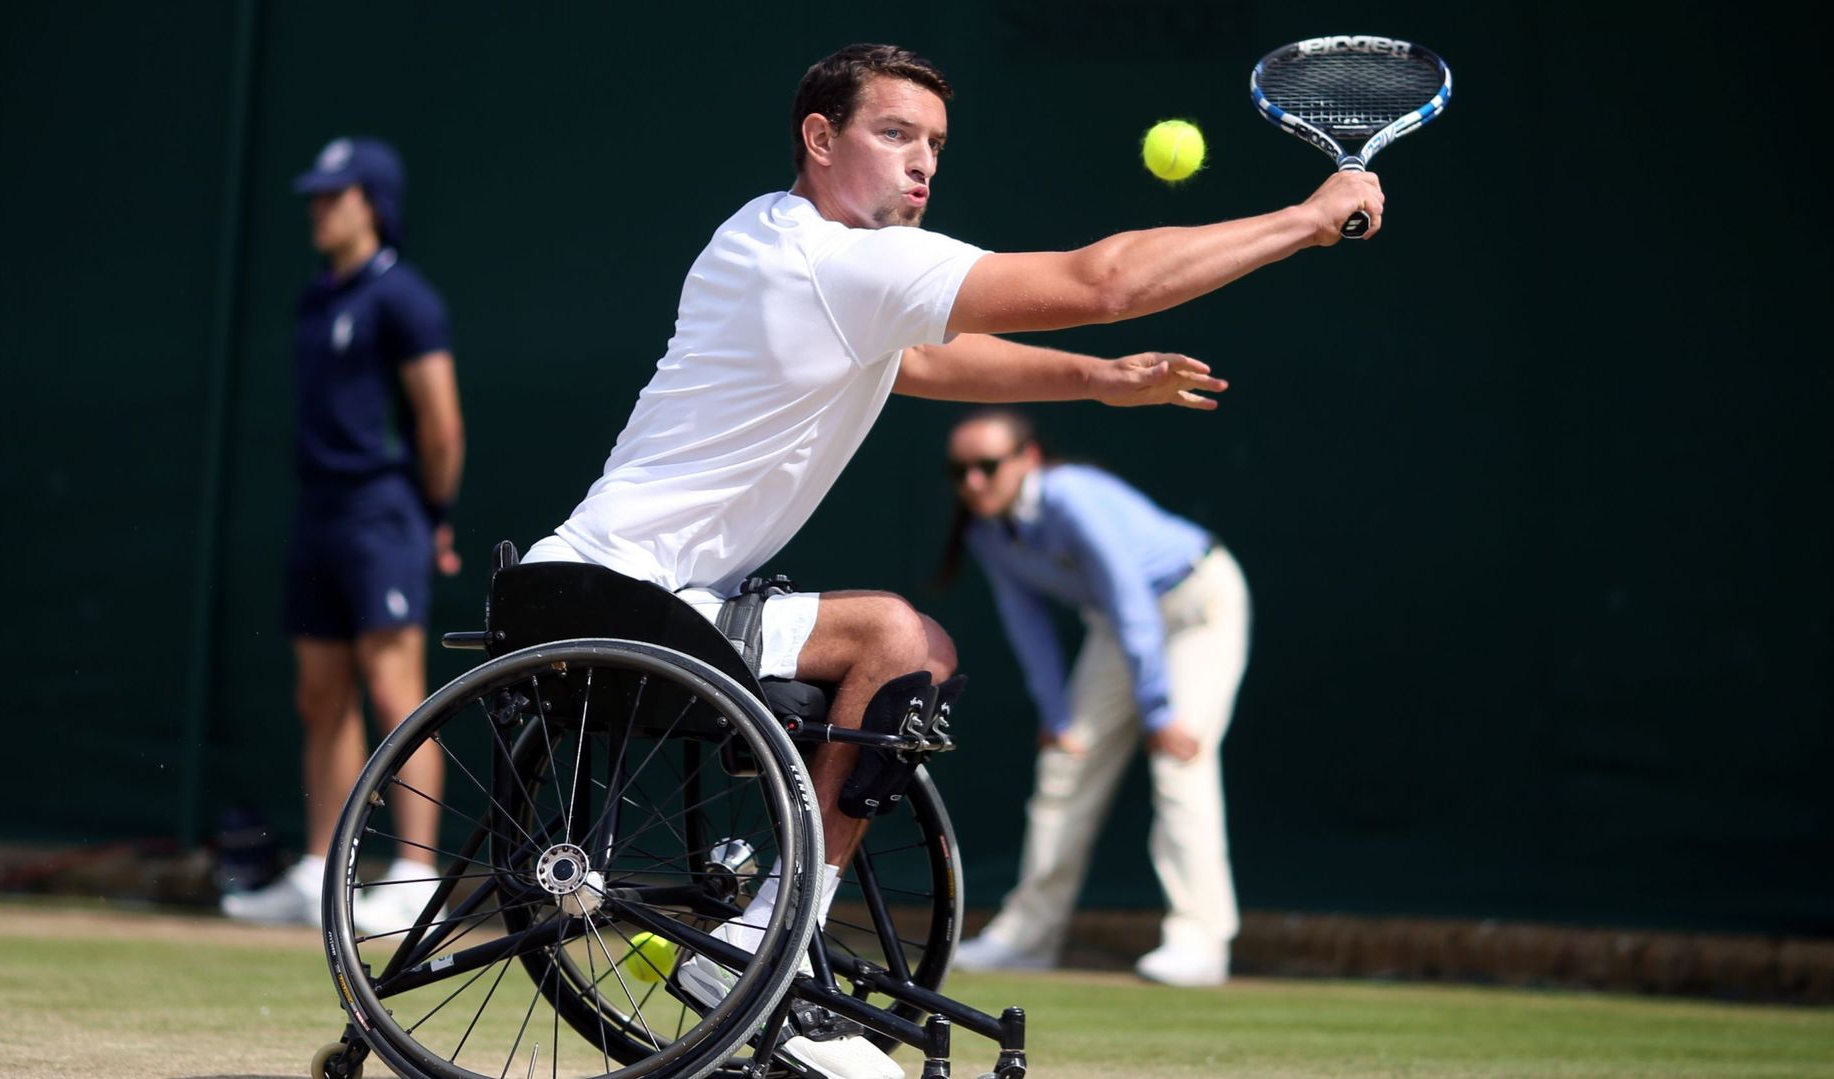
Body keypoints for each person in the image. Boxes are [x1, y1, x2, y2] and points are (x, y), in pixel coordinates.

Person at [522, 43, 1379, 1077]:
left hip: (595, 589)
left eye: (934, 144)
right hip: (627, 600)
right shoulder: (841, 260)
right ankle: (762, 944)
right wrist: (1303, 221)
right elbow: (1099, 280)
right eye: (895, 134)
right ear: (821, 137)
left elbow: (921, 356)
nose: (922, 162)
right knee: (896, 636)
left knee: (904, 644)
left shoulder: (768, 232)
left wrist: (1096, 380)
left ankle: (767, 934)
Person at [221, 137, 465, 936]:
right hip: (318, 513)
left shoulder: (406, 298)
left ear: (374, 204)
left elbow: (440, 423)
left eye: (335, 195)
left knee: (395, 690)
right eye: (316, 198)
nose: (319, 210)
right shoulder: (316, 297)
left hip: (382, 513)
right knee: (319, 695)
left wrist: (431, 515)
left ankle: (415, 874)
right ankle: (324, 869)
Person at [939, 409, 1250, 988]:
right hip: (1120, 629)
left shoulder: (1071, 497)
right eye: (959, 471)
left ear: (1027, 459)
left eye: (986, 467)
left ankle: (1200, 942)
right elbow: (1024, 619)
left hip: (1196, 608)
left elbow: (1129, 595)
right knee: (1066, 761)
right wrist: (1056, 713)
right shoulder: (987, 533)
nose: (973, 483)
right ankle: (1029, 937)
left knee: (1179, 761)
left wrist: (1159, 710)